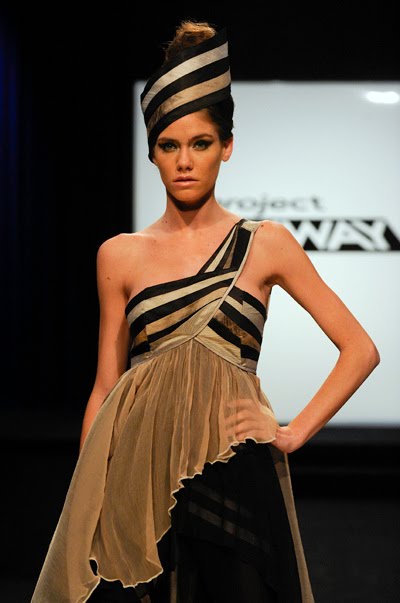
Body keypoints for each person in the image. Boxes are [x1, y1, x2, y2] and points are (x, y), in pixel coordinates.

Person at [31, 20, 380, 603]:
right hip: (138, 475)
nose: (185, 161)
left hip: (233, 471)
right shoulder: (119, 255)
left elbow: (360, 349)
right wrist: (89, 495)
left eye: (200, 143)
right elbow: (106, 387)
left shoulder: (265, 243)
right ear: (152, 153)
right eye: (169, 146)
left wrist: (291, 433)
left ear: (227, 147)